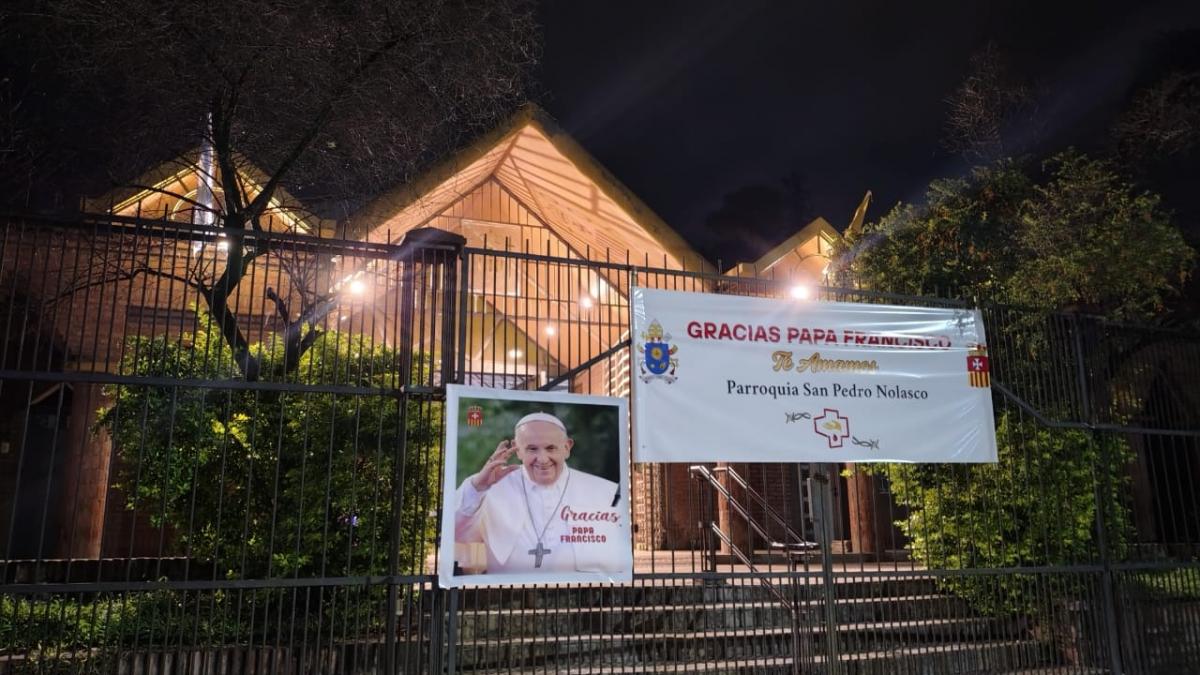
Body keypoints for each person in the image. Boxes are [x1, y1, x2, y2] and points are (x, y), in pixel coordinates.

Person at [454, 411, 626, 575]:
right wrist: (477, 488)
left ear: (567, 447)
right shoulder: (489, 486)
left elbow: (616, 558)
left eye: (551, 448)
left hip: (577, 597)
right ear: (517, 449)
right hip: (507, 597)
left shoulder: (605, 492)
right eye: (532, 449)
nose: (542, 459)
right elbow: (455, 533)